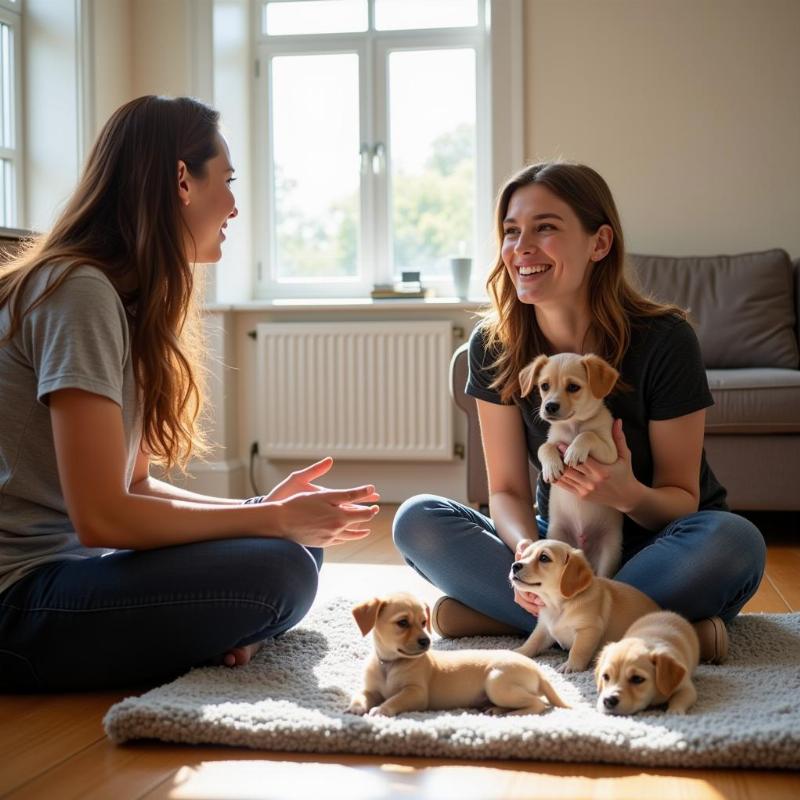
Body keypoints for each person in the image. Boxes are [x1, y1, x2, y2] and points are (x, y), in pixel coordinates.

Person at [0, 96, 379, 692]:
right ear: (182, 179)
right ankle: (230, 625)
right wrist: (268, 522)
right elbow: (101, 516)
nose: (232, 204)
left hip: (76, 571)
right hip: (20, 604)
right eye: (225, 181)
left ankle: (227, 623)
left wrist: (260, 514)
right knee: (280, 568)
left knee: (301, 545)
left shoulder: (121, 299)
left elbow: (137, 484)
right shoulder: (79, 291)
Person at [393, 161, 765, 662]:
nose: (521, 247)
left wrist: (625, 491)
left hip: (658, 547)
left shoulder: (666, 338)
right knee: (417, 520)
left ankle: (515, 620)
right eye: (510, 231)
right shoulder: (493, 344)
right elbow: (504, 490)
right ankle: (670, 633)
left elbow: (682, 498)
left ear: (599, 243)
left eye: (545, 227)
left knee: (734, 541)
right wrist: (529, 554)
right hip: (560, 559)